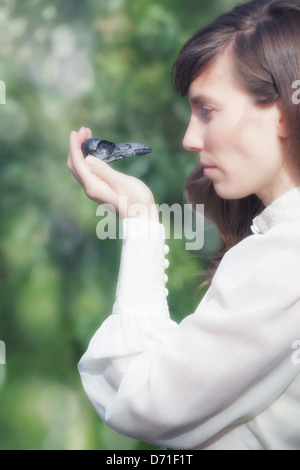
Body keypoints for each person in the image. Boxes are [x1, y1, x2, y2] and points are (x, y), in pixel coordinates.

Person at [67, 0, 300, 450]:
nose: (190, 139)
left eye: (208, 111)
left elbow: (145, 400)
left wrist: (141, 226)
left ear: (279, 112)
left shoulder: (284, 257)